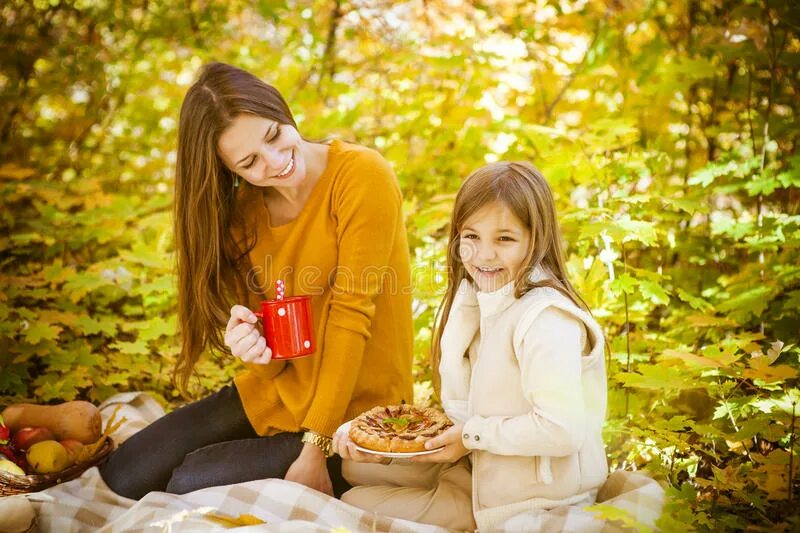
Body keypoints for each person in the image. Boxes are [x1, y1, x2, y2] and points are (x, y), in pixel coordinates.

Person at [99, 62, 414, 499]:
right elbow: (277, 354)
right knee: (124, 476)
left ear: (281, 110)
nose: (276, 161)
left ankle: (320, 465)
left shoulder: (361, 176)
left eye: (274, 136)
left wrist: (315, 451)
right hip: (280, 395)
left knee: (187, 483)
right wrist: (255, 350)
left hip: (352, 417)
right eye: (249, 161)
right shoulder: (244, 217)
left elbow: (351, 318)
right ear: (230, 171)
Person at [334, 161, 608, 531]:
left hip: (526, 495)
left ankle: (459, 515)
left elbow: (562, 430)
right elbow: (469, 410)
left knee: (350, 503)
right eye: (472, 236)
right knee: (354, 465)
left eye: (504, 239)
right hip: (477, 466)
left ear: (536, 238)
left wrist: (470, 436)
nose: (484, 255)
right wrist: (384, 442)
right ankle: (439, 489)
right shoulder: (480, 300)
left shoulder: (546, 320)